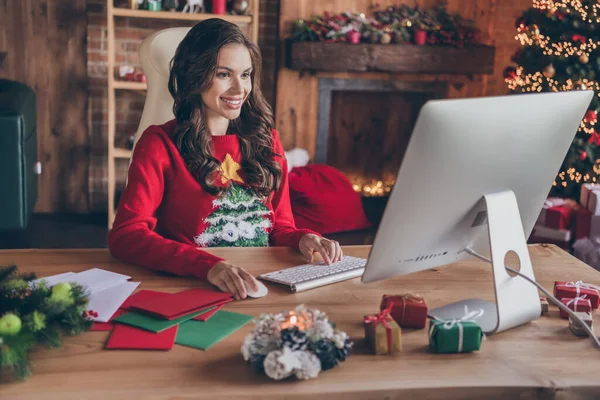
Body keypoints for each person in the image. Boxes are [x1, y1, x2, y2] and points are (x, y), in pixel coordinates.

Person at [108, 19, 343, 300]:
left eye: (245, 75)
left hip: (263, 285)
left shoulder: (268, 141)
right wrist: (208, 266)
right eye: (223, 74)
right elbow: (126, 235)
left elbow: (278, 226)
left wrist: (303, 238)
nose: (238, 89)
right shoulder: (159, 143)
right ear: (195, 76)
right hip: (194, 287)